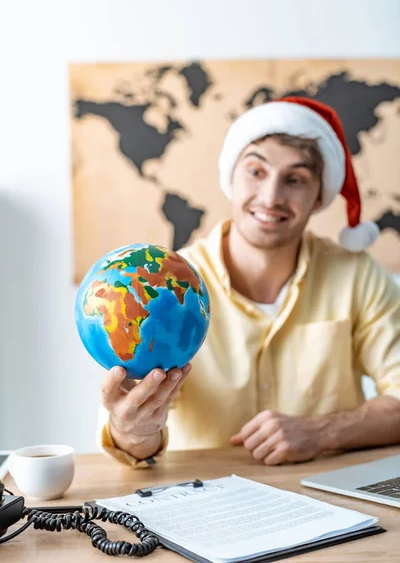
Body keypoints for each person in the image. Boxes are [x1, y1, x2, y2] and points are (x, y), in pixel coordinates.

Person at [97, 96, 400, 468]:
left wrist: (321, 431)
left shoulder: (358, 276)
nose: (271, 198)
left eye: (295, 179)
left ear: (319, 195)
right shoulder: (161, 287)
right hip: (201, 501)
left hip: (326, 503)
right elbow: (132, 445)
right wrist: (135, 431)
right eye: (256, 171)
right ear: (231, 178)